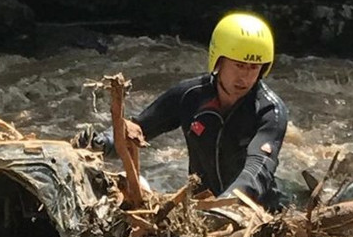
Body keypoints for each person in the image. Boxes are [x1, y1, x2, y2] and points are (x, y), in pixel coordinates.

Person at [90, 12, 287, 211]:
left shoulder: (270, 111)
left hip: (255, 212)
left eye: (254, 68)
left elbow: (258, 168)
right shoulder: (190, 95)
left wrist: (225, 204)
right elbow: (138, 128)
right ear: (218, 60)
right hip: (199, 208)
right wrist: (101, 143)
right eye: (239, 65)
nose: (244, 77)